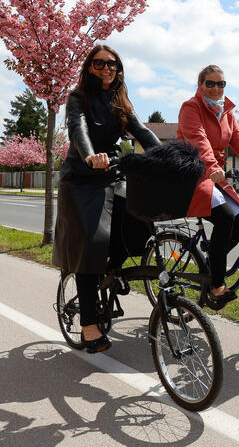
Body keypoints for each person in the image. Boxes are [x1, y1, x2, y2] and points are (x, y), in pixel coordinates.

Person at [53, 44, 159, 353]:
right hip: (82, 177)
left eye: (112, 64)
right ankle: (88, 327)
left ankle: (110, 272)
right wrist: (89, 155)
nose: (106, 69)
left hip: (113, 172)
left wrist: (166, 156)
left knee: (142, 225)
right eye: (99, 64)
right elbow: (78, 128)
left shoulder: (120, 100)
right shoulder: (77, 98)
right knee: (93, 243)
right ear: (88, 68)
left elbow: (141, 131)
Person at [177, 64, 239, 309]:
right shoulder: (191, 108)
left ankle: (212, 261)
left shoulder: (227, 113)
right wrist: (211, 167)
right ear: (200, 85)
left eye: (220, 84)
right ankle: (217, 285)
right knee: (224, 217)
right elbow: (199, 141)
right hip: (192, 173)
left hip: (214, 175)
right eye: (210, 83)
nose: (215, 88)